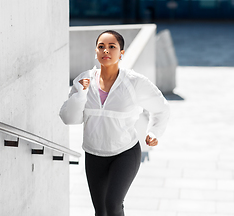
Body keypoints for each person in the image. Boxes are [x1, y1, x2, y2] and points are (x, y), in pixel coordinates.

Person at [59, 30, 170, 216]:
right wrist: (81, 95)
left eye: (112, 47)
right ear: (95, 51)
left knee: (112, 204)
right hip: (94, 153)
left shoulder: (135, 82)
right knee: (100, 210)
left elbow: (161, 108)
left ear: (122, 53)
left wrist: (154, 132)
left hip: (125, 153)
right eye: (101, 47)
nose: (106, 51)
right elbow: (69, 118)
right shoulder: (83, 81)